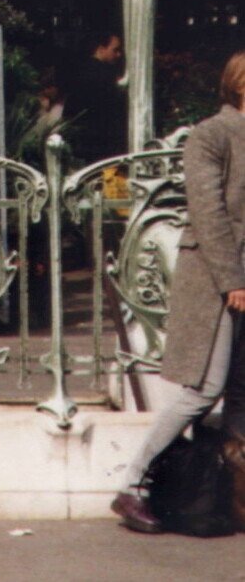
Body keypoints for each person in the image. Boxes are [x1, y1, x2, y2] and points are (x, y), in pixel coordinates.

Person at [111, 49, 245, 533]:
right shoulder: (211, 135)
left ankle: (230, 495)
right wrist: (232, 280)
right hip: (216, 281)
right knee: (202, 391)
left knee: (241, 392)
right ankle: (132, 485)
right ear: (241, 84)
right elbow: (209, 214)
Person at [62, 31, 127, 161]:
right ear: (101, 49)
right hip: (100, 141)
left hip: (79, 138)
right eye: (115, 50)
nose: (118, 55)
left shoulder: (80, 70)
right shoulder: (105, 74)